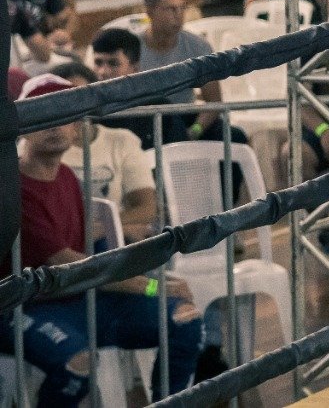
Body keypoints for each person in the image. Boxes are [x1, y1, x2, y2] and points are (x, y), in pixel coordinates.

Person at [1, 74, 202, 405]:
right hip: (24, 306)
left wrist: (155, 277)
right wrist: (153, 286)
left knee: (184, 318)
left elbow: (87, 249)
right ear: (22, 127)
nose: (54, 127)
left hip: (79, 299)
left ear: (76, 127)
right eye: (42, 116)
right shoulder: (13, 187)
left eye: (63, 116)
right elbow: (71, 263)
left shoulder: (67, 176)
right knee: (77, 364)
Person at [48, 61, 159, 244]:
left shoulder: (122, 141)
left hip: (109, 242)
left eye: (81, 96)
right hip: (59, 241)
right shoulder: (39, 145)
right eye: (63, 98)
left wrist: (102, 228)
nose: (74, 106)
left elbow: (147, 207)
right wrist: (117, 227)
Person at [136, 0, 238, 145]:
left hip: (185, 118)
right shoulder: (132, 48)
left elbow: (214, 102)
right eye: (170, 9)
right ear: (149, 11)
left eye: (182, 8)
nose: (178, 15)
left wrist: (194, 131)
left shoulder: (198, 47)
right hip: (144, 119)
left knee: (235, 136)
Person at [89, 27, 190, 149]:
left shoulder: (159, 109)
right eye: (98, 63)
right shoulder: (86, 110)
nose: (103, 72)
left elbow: (181, 153)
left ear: (135, 69)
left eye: (113, 63)